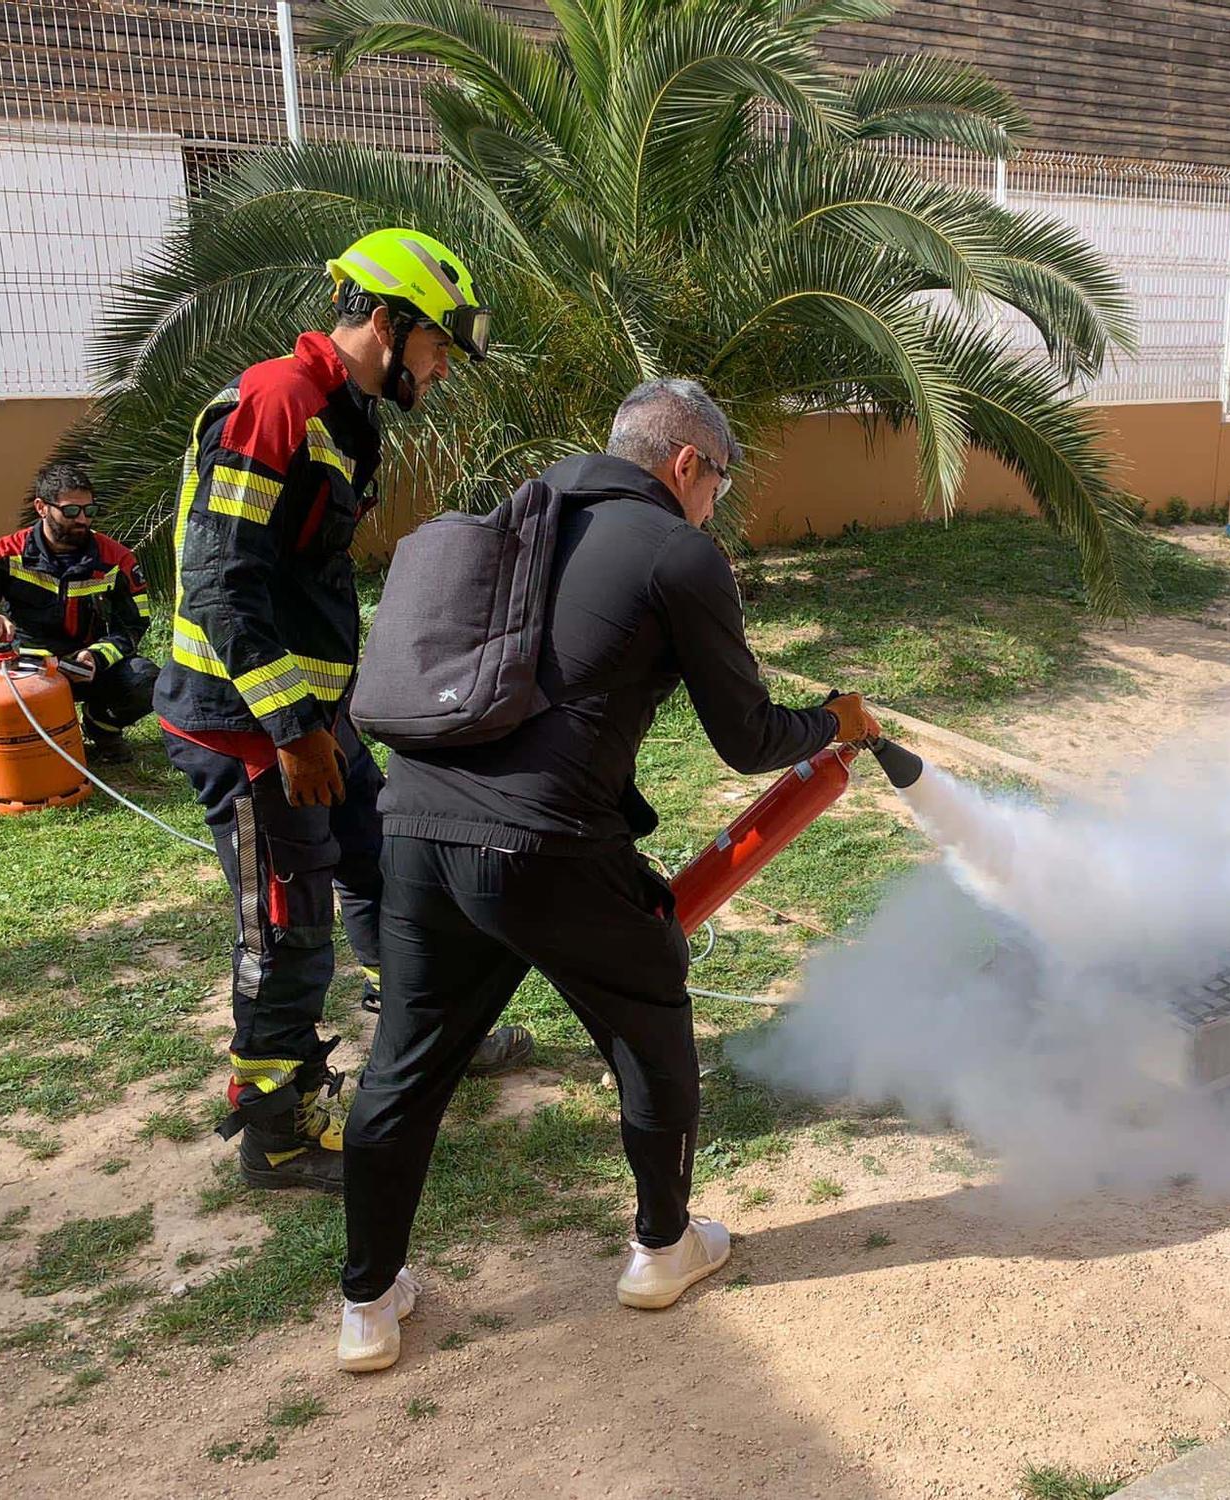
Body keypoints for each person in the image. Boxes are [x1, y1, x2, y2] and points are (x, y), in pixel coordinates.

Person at [335, 378, 882, 1371]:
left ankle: (367, 1305)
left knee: (406, 1065)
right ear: (686, 465)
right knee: (649, 1018)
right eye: (720, 477)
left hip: (411, 829)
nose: (718, 497)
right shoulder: (679, 551)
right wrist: (833, 723)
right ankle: (662, 1247)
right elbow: (748, 736)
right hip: (545, 849)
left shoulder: (516, 516)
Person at [156, 229, 532, 1196]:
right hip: (250, 729)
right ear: (388, 322)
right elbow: (220, 586)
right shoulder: (276, 403)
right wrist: (292, 730)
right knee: (287, 927)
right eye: (438, 347)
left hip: (318, 721)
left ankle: (424, 1037)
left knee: (387, 865)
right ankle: (277, 1132)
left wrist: (325, 721)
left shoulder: (344, 414)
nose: (442, 369)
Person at [0, 460, 158, 763]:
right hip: (27, 671)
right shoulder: (7, 552)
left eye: (90, 511)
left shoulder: (116, 560)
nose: (83, 520)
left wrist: (97, 656)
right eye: (71, 511)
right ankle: (45, 739)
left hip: (88, 669)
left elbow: (133, 625)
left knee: (148, 680)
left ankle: (101, 728)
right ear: (42, 507)